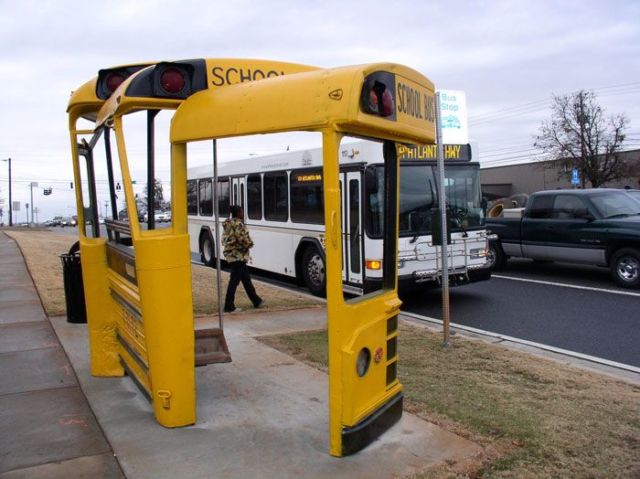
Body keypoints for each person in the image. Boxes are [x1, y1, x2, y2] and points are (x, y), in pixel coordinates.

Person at [222, 205, 263, 313]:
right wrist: (250, 243)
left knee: (246, 280)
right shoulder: (238, 224)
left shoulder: (229, 223)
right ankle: (229, 306)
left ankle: (256, 301)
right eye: (242, 212)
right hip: (238, 256)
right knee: (234, 282)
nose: (243, 213)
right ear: (238, 213)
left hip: (232, 255)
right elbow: (242, 239)